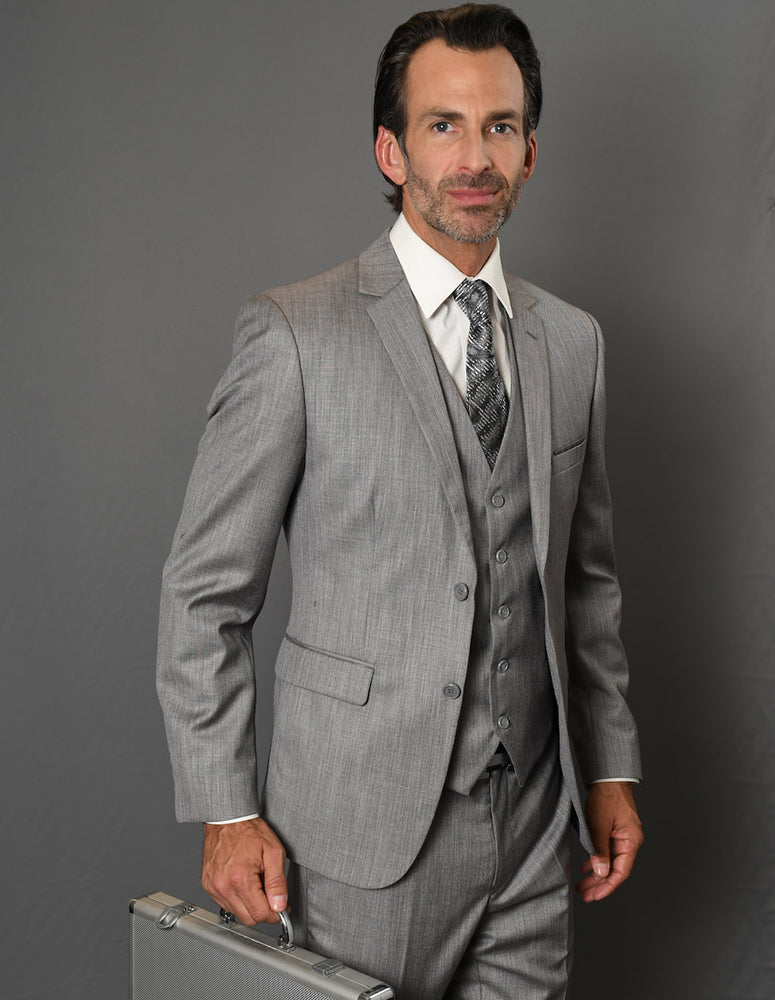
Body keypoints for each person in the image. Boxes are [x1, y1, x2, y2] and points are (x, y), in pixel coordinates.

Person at [157, 5, 643, 998]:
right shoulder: (294, 334)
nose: (474, 155)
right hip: (354, 841)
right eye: (442, 124)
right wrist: (226, 807)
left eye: (498, 126)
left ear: (530, 151)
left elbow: (584, 583)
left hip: (535, 839)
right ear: (391, 146)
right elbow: (205, 592)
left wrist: (609, 766)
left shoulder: (573, 344)